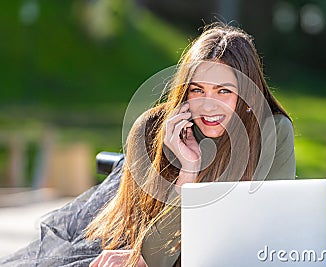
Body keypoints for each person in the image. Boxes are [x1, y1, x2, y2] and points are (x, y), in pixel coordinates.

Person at [0, 23, 295, 267]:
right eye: (197, 90)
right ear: (185, 92)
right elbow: (152, 254)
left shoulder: (275, 130)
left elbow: (269, 234)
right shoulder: (153, 130)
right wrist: (188, 172)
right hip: (133, 243)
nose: (209, 105)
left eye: (224, 91)